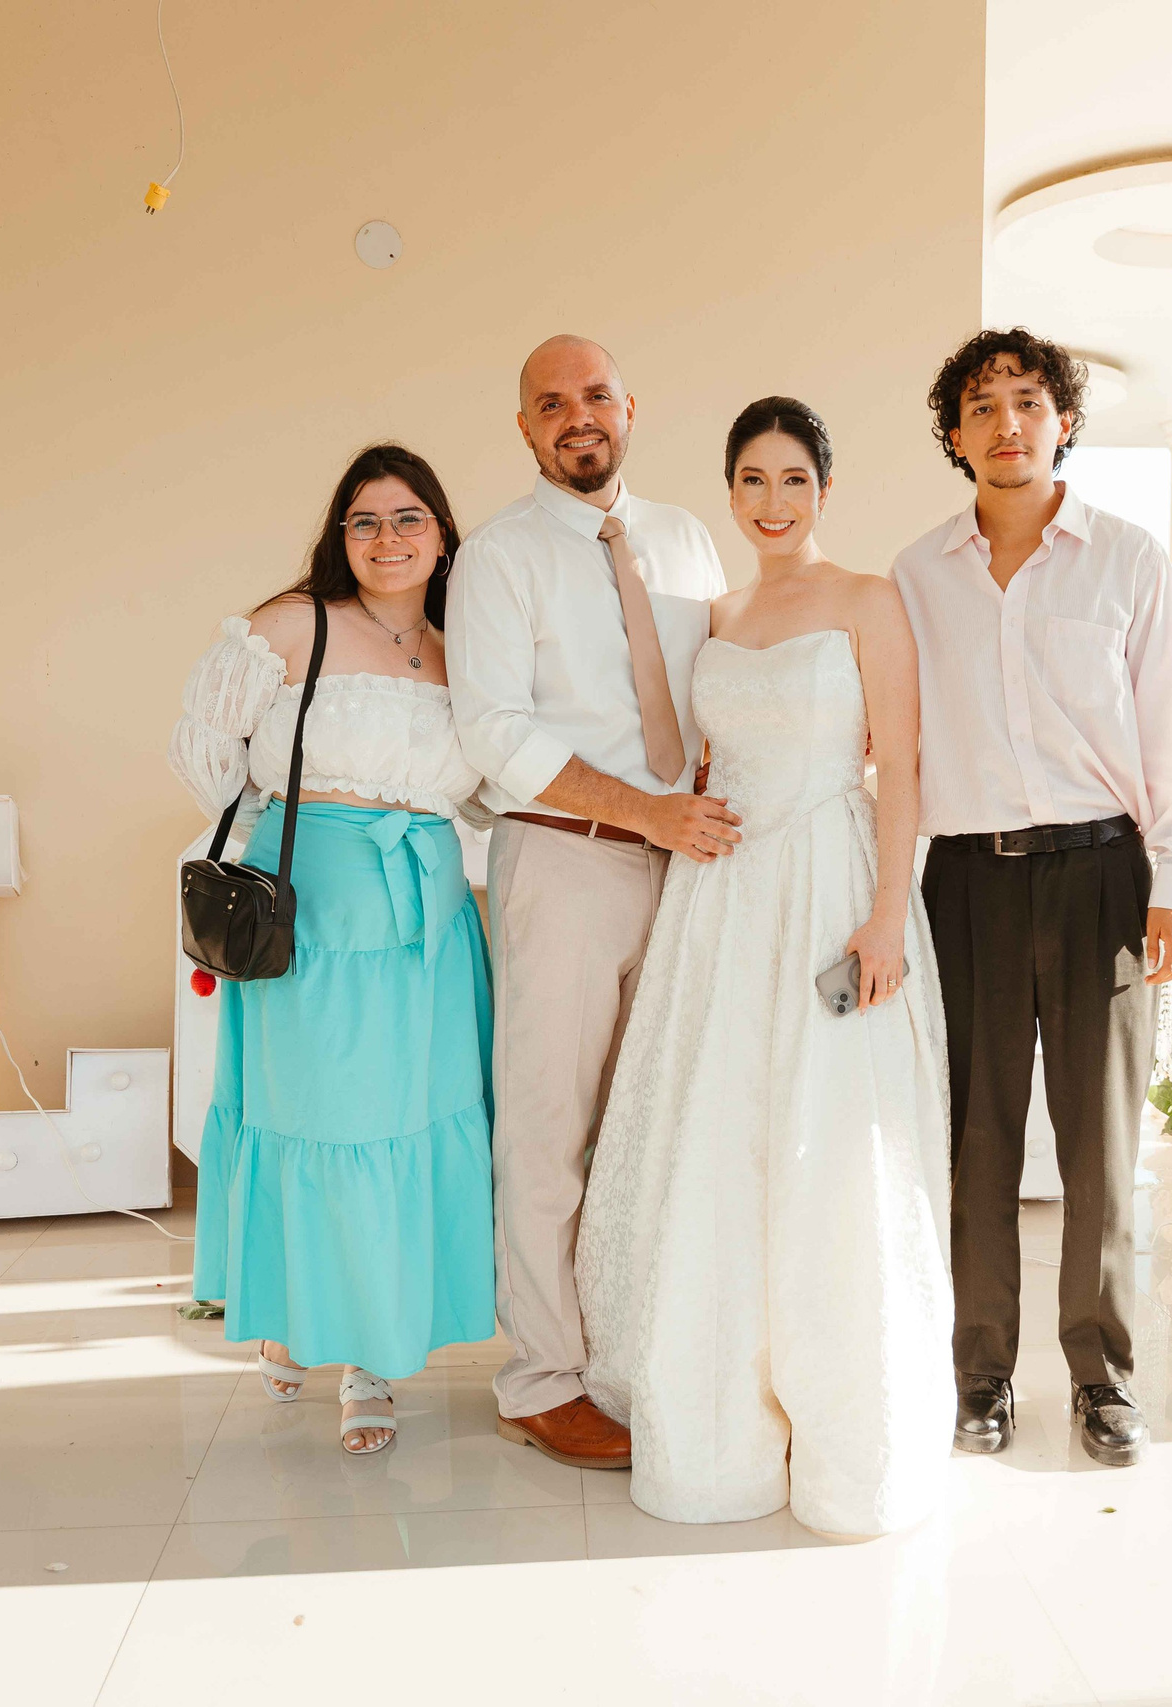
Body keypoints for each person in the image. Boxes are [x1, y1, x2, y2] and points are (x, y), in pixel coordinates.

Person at [577, 398, 952, 1535]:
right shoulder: (723, 614)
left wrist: (887, 916)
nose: (772, 503)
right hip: (726, 903)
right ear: (730, 493)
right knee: (725, 1130)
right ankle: (724, 1422)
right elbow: (694, 751)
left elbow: (902, 772)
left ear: (824, 490)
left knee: (828, 1138)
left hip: (832, 892)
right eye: (752, 481)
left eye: (793, 480)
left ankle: (844, 1427)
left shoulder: (869, 601)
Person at [892, 328, 1172, 1467]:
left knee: (1098, 1149)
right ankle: (978, 1375)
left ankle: (1102, 1378)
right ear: (953, 435)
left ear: (1063, 422)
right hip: (965, 884)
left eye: (1027, 403)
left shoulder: (1126, 560)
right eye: (980, 407)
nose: (1006, 425)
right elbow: (887, 738)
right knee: (974, 1146)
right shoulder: (914, 575)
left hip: (1102, 879)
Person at [445, 335, 740, 1470]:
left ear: (632, 408)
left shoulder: (683, 539)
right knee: (548, 1129)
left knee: (651, 1125)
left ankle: (627, 1354)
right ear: (523, 428)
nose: (579, 417)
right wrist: (644, 813)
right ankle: (539, 1379)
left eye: (597, 396)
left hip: (691, 869)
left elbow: (714, 693)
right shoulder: (500, 558)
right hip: (565, 861)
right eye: (551, 403)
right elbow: (495, 733)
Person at [168, 442, 496, 1456]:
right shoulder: (290, 625)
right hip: (310, 918)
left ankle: (372, 1361)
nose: (387, 539)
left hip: (429, 922)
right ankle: (290, 1321)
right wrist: (286, 834)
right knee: (313, 1122)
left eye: (409, 518)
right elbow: (203, 754)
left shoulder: (470, 647)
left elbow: (491, 786)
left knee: (407, 1125)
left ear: (443, 535)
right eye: (365, 520)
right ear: (338, 535)